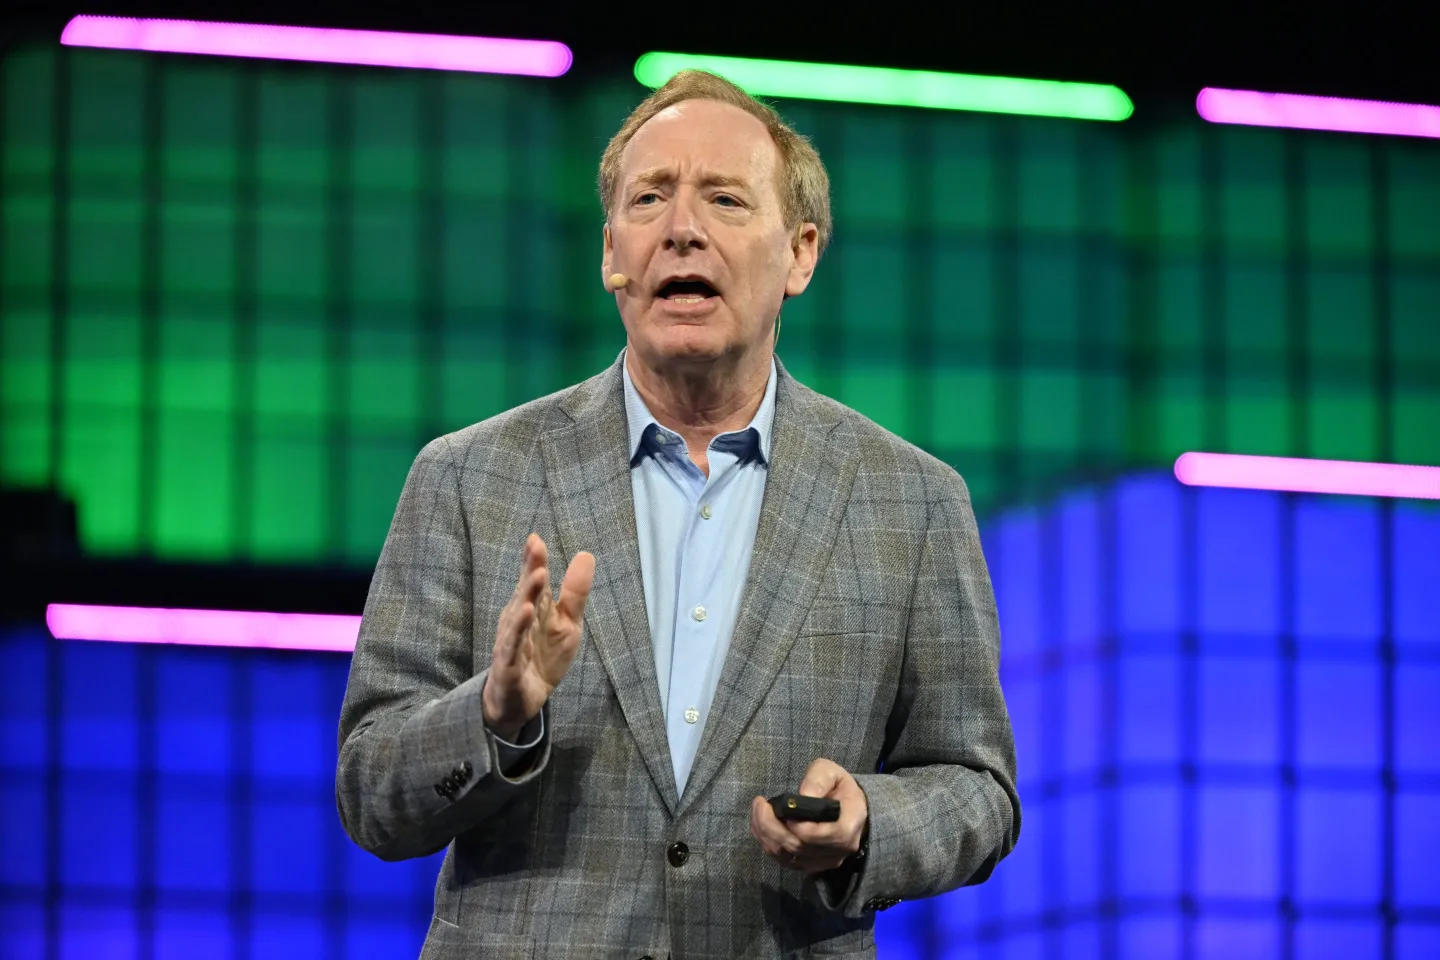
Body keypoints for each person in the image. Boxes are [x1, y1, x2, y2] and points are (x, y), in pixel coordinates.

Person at [336, 69, 1019, 960]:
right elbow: (369, 787)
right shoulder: (468, 478)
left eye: (727, 200)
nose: (682, 228)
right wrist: (495, 716)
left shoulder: (912, 501)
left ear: (801, 254)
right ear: (611, 251)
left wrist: (866, 821)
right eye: (649, 197)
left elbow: (978, 788)